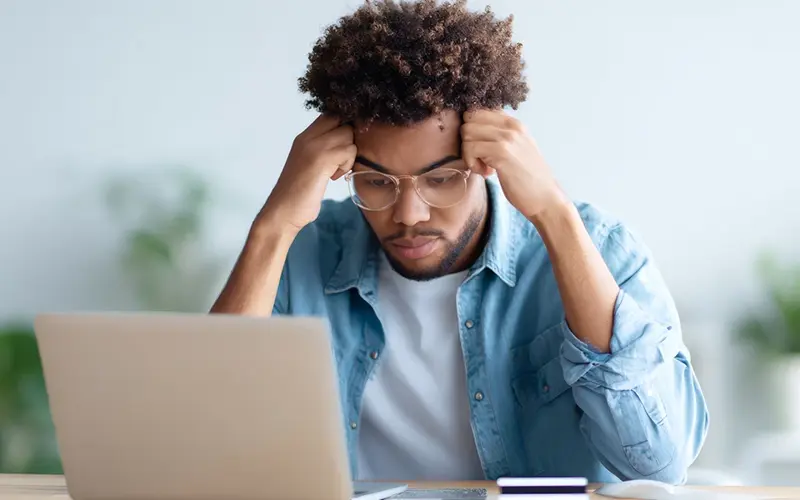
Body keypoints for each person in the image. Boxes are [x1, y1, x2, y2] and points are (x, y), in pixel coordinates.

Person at [211, 0, 708, 485]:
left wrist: (552, 214)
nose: (409, 215)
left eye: (442, 178)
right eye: (376, 182)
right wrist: (272, 225)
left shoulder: (601, 249)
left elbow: (659, 467)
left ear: (488, 160)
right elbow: (207, 443)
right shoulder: (300, 253)